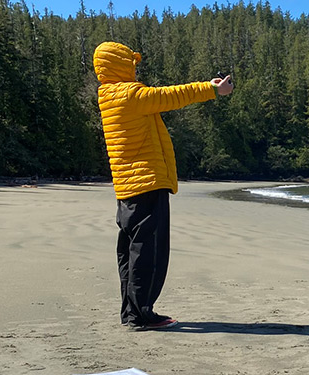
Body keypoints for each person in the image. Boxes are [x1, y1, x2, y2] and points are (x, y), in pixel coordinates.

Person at [92, 41, 233, 331]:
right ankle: (141, 314)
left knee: (130, 250)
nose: (135, 67)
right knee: (148, 251)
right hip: (145, 182)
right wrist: (212, 88)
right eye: (130, 63)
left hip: (128, 186)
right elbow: (171, 96)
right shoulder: (130, 94)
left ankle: (132, 312)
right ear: (119, 65)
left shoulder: (107, 94)